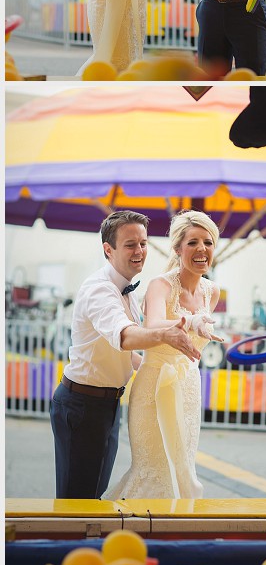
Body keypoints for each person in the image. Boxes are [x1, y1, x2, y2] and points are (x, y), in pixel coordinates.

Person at [50, 211, 201, 499]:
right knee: (76, 501)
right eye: (130, 244)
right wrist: (165, 334)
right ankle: (65, 545)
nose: (140, 251)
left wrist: (159, 372)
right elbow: (126, 336)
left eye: (143, 243)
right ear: (108, 249)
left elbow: (128, 355)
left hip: (107, 405)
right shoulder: (99, 289)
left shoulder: (128, 289)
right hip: (82, 405)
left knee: (94, 495)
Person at [106, 211, 225, 500]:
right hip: (154, 386)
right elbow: (152, 324)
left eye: (208, 243)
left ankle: (173, 537)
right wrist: (189, 322)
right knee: (154, 469)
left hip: (188, 388)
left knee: (182, 468)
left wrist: (202, 326)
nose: (202, 250)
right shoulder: (161, 285)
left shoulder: (213, 292)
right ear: (177, 249)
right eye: (193, 242)